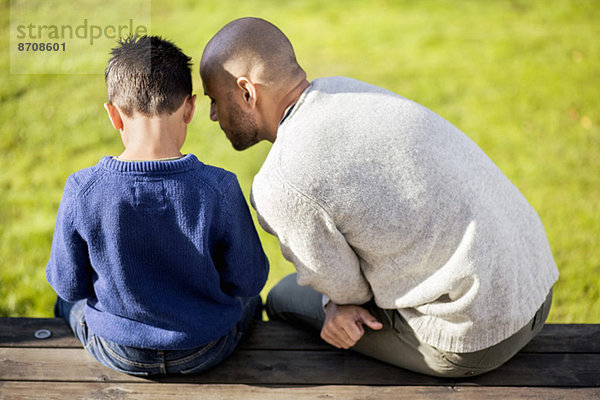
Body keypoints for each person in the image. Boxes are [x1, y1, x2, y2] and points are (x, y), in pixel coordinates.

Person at [199, 17, 559, 378]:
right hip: (536, 284)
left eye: (215, 99)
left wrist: (334, 305)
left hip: (478, 335)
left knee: (284, 297)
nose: (213, 115)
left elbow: (348, 292)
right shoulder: (344, 89)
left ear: (247, 92)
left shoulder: (280, 183)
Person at [46, 35, 269, 376]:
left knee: (65, 303)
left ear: (113, 116)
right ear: (190, 108)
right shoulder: (220, 187)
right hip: (206, 348)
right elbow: (249, 280)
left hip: (119, 349)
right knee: (252, 303)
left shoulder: (82, 189)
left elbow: (69, 285)